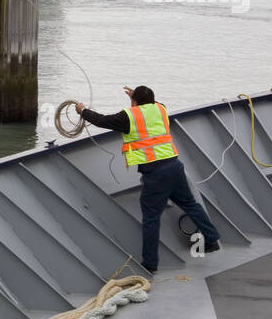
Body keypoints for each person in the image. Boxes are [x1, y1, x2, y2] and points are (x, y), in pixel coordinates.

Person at [75, 85, 221, 274]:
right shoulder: (161, 108)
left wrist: (83, 111)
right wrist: (134, 97)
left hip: (155, 173)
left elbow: (102, 121)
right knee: (190, 204)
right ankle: (212, 238)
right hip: (175, 167)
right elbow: (145, 108)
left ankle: (150, 264)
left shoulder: (128, 116)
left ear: (134, 101)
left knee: (151, 218)